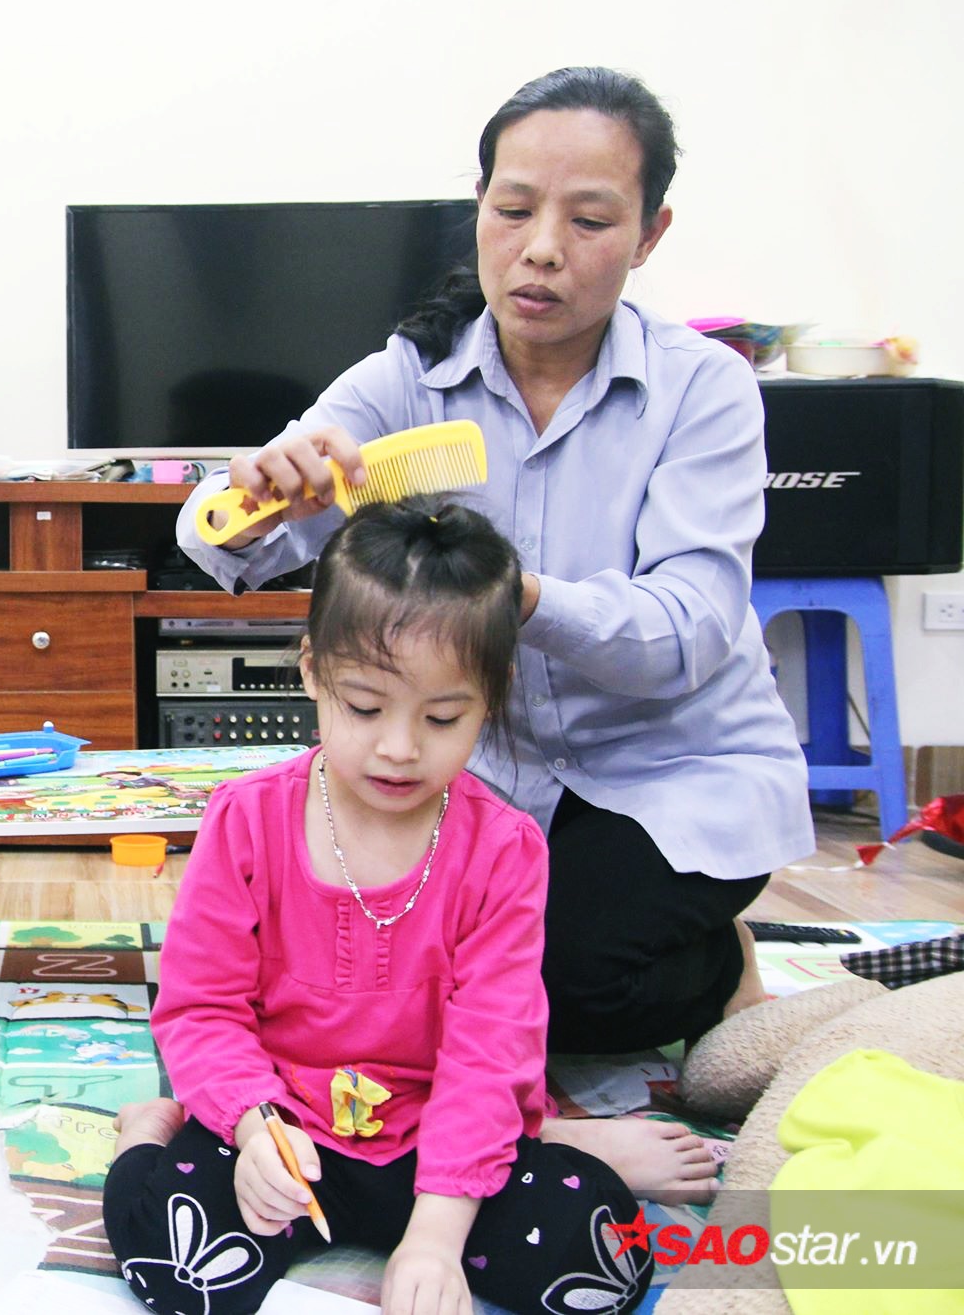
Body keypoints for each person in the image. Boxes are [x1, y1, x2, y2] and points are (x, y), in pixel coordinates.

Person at [177, 66, 808, 1197]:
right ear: (478, 208)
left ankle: (717, 968)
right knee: (383, 980)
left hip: (671, 773)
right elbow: (214, 537)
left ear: (650, 234)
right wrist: (260, 490)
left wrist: (517, 597)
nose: (541, 249)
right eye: (513, 209)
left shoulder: (703, 392)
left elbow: (689, 631)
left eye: (590, 220)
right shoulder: (408, 376)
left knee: (557, 990)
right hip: (487, 779)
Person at [108, 499, 649, 1315]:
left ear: (492, 696)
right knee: (178, 1263)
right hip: (283, 1126)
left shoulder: (504, 848)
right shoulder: (246, 819)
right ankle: (143, 1131)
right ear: (311, 671)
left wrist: (435, 1235)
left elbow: (490, 1051)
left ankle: (508, 1172)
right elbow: (202, 1008)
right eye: (365, 707)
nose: (399, 748)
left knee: (607, 1257)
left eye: (443, 717)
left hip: (438, 1147)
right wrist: (255, 1129)